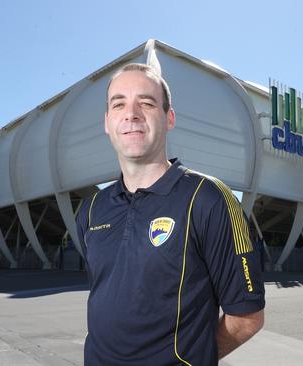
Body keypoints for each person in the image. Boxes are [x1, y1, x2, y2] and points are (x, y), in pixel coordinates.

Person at [76, 63, 265, 365]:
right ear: (107, 122)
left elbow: (247, 318)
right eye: (119, 104)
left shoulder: (208, 199)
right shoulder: (91, 210)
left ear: (169, 118)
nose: (131, 113)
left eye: (147, 103)